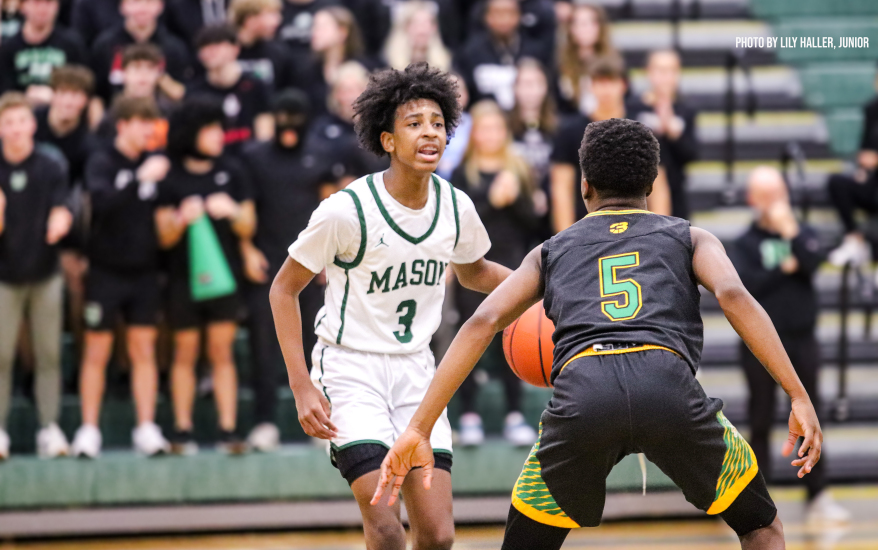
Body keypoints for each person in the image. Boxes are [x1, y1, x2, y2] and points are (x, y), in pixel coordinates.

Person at [374, 118, 824, 550]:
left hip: (584, 396)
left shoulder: (550, 251)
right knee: (762, 528)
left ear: (584, 186)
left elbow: (481, 322)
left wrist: (419, 426)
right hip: (667, 388)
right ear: (651, 187)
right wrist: (797, 395)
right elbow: (733, 294)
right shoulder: (690, 237)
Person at [270, 63, 511, 550]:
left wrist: (543, 289)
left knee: (439, 536)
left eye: (438, 123)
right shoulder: (347, 210)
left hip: (418, 372)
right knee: (384, 523)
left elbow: (474, 271)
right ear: (387, 140)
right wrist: (301, 386)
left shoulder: (455, 205)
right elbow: (283, 289)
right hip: (350, 368)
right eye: (414, 122)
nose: (430, 132)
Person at [729, 166, 850, 524]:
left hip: (802, 340)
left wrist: (792, 232)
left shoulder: (801, 231)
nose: (776, 201)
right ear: (753, 200)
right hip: (760, 346)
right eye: (767, 195)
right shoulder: (743, 243)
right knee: (761, 418)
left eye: (779, 192)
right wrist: (786, 267)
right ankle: (758, 500)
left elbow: (813, 262)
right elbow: (747, 286)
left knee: (810, 414)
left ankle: (818, 495)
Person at [70, 96, 171, 458]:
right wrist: (138, 179)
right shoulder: (102, 160)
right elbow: (102, 204)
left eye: (152, 122)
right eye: (143, 122)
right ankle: (89, 429)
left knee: (143, 349)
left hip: (144, 272)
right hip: (105, 270)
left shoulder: (157, 162)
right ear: (123, 124)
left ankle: (146, 427)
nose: (149, 129)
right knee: (97, 350)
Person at [154, 95, 255, 455]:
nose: (218, 135)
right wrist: (181, 218)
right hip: (182, 278)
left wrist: (230, 211)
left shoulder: (232, 170)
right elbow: (162, 236)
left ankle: (228, 428)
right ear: (190, 132)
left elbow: (248, 225)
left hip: (225, 278)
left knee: (221, 351)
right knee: (185, 351)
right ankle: (182, 429)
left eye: (219, 128)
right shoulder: (171, 176)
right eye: (210, 129)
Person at [239, 89, 334, 451]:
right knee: (265, 348)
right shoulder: (255, 157)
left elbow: (331, 208)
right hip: (269, 266)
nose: (289, 126)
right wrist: (247, 249)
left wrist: (330, 258)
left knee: (318, 346)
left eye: (296, 119)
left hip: (312, 268)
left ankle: (323, 425)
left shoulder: (320, 156)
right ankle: (265, 423)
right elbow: (247, 209)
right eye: (283, 118)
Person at [451, 99, 538, 447]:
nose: (490, 135)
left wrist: (516, 198)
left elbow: (533, 221)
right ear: (474, 135)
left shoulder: (518, 169)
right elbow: (461, 224)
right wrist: (493, 198)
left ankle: (514, 414)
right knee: (471, 335)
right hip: (471, 269)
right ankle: (469, 414)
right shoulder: (462, 173)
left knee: (511, 338)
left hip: (511, 267)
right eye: (484, 128)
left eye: (496, 128)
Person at [0, 92, 72, 459]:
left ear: (32, 124)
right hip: (4, 276)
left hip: (45, 272)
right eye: (8, 122)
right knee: (1, 356)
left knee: (48, 355)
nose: (15, 129)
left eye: (21, 121)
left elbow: (64, 207)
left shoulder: (50, 164)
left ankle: (49, 427)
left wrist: (62, 219)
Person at [550, 55, 670, 234]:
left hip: (637, 228)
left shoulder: (642, 128)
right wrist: (565, 239)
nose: (605, 90)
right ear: (590, 86)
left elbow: (658, 185)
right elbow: (561, 189)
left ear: (623, 85)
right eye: (600, 82)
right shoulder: (571, 131)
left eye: (611, 82)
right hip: (588, 230)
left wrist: (660, 233)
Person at [629, 49, 698, 220]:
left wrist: (672, 128)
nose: (665, 77)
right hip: (639, 194)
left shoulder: (685, 110)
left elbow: (691, 154)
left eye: (670, 71)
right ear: (649, 72)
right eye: (660, 70)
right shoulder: (633, 108)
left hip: (676, 193)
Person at [188, 24, 274, 153]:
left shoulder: (255, 85)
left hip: (251, 157)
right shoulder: (195, 93)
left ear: (235, 49)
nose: (210, 52)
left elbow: (265, 131)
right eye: (204, 47)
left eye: (217, 45)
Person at [454, 0, 552, 111]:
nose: (503, 19)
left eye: (509, 13)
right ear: (486, 17)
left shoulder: (534, 52)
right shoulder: (470, 53)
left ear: (519, 16)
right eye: (497, 13)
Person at [90, 0, 191, 105]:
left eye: (149, 2)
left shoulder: (174, 47)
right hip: (116, 111)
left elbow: (181, 90)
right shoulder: (105, 44)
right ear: (122, 7)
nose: (142, 8)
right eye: (135, 2)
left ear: (161, 6)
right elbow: (97, 92)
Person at [309, 60, 387, 186]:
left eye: (356, 90)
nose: (351, 97)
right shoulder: (322, 127)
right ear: (335, 95)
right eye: (345, 90)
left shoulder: (378, 126)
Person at [825, 88, 878, 269]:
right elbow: (865, 151)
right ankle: (855, 240)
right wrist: (863, 168)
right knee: (837, 183)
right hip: (873, 184)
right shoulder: (872, 109)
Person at [0, 0, 87, 101]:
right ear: (23, 6)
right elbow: (4, 90)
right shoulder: (8, 48)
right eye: (37, 2)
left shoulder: (72, 45)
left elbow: (82, 85)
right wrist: (26, 95)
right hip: (19, 107)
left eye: (48, 2)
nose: (43, 8)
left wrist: (56, 96)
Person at [94, 44, 173, 150]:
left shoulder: (170, 112)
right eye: (136, 67)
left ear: (158, 73)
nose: (143, 74)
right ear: (124, 72)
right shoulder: (112, 116)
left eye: (150, 68)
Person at [556, 2, 615, 115]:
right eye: (579, 24)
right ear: (570, 29)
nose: (586, 29)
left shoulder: (613, 63)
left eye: (591, 23)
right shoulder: (560, 65)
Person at [229, 0, 296, 91]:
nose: (278, 21)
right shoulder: (225, 51)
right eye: (271, 14)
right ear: (250, 19)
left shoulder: (278, 53)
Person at [382, 1, 451, 72]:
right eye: (417, 24)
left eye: (426, 24)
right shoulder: (387, 65)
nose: (421, 30)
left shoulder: (446, 66)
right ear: (406, 28)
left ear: (434, 28)